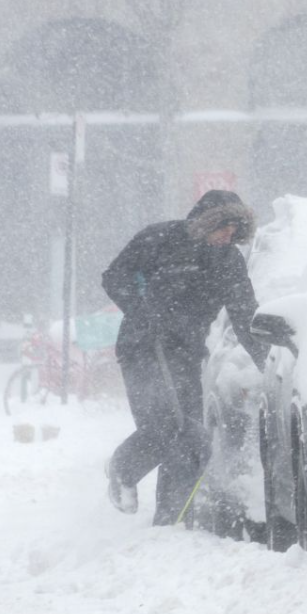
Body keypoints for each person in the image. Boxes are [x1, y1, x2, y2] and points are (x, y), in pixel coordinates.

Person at [102, 190, 263, 525]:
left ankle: (169, 517)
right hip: (143, 347)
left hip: (187, 353)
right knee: (163, 426)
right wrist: (144, 312)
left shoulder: (228, 261)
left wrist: (266, 357)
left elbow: (245, 314)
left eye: (235, 231)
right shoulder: (159, 238)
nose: (227, 236)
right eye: (223, 227)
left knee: (189, 434)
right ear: (207, 221)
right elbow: (115, 276)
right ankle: (122, 470)